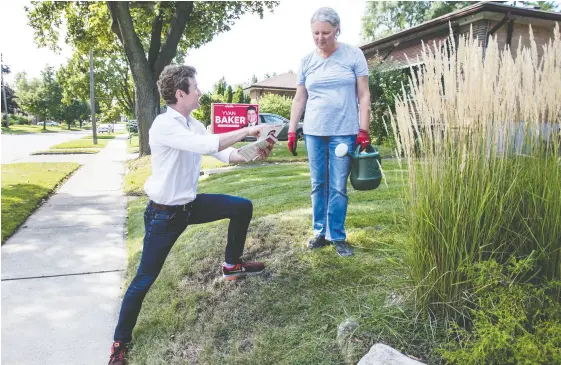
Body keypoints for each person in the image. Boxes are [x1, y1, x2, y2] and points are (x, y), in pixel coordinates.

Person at [108, 65, 272, 365]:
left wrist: (253, 153)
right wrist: (248, 131)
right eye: (195, 87)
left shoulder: (194, 125)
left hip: (190, 205)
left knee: (241, 206)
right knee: (144, 279)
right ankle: (119, 343)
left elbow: (225, 154)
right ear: (180, 93)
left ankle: (231, 265)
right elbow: (207, 144)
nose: (200, 91)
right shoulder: (163, 125)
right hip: (164, 216)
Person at [287, 7, 372, 257]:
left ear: (337, 30)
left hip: (344, 131)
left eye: (326, 32)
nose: (320, 38)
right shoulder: (307, 61)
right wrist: (293, 130)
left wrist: (363, 129)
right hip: (314, 131)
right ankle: (319, 233)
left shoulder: (353, 55)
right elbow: (299, 98)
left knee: (337, 186)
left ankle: (337, 235)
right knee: (318, 184)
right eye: (315, 33)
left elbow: (364, 94)